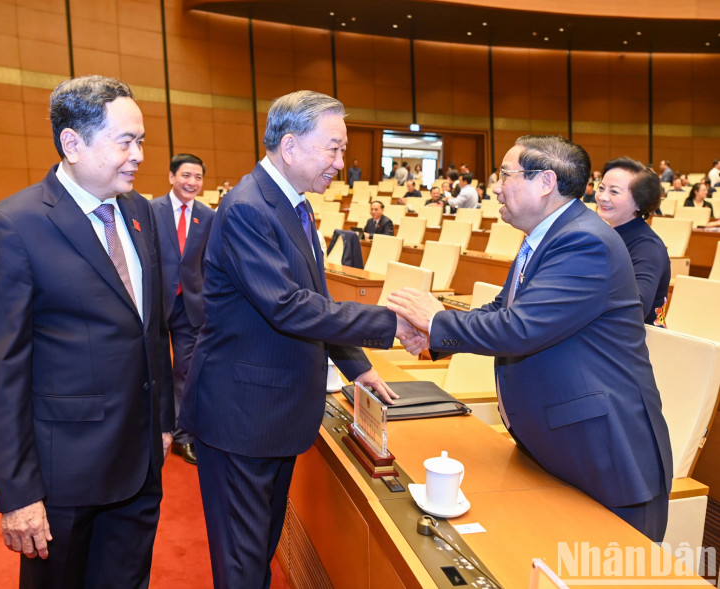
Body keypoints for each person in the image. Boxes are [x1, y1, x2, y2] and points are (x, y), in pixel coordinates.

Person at [178, 90, 421, 589]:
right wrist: (392, 324)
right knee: (243, 565)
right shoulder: (250, 206)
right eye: (332, 149)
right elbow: (288, 306)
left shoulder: (291, 204)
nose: (341, 162)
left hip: (274, 413)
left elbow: (315, 295)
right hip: (241, 417)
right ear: (289, 147)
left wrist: (358, 367)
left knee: (260, 548)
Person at [388, 135, 673, 542]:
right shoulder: (547, 236)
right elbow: (503, 310)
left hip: (603, 454)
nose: (497, 185)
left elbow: (520, 328)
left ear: (545, 182)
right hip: (556, 442)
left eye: (506, 174)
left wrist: (437, 321)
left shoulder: (584, 242)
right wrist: (434, 337)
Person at [0, 75, 174, 587]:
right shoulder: (14, 226)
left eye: (142, 140)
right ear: (73, 143)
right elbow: (2, 372)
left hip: (141, 462)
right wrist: (18, 493)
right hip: (64, 477)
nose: (138, 155)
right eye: (125, 141)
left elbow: (152, 329)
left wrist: (164, 423)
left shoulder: (141, 213)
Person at [149, 154, 215, 466]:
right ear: (172, 176)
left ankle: (183, 435)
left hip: (192, 305)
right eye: (186, 175)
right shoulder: (150, 211)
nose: (192, 182)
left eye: (198, 177)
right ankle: (155, 427)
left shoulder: (207, 215)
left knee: (186, 372)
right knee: (156, 369)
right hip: (157, 303)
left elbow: (209, 262)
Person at [596, 157, 670, 325]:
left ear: (639, 201)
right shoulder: (604, 234)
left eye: (613, 191)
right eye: (601, 188)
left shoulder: (647, 247)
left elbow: (635, 308)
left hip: (636, 342)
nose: (602, 197)